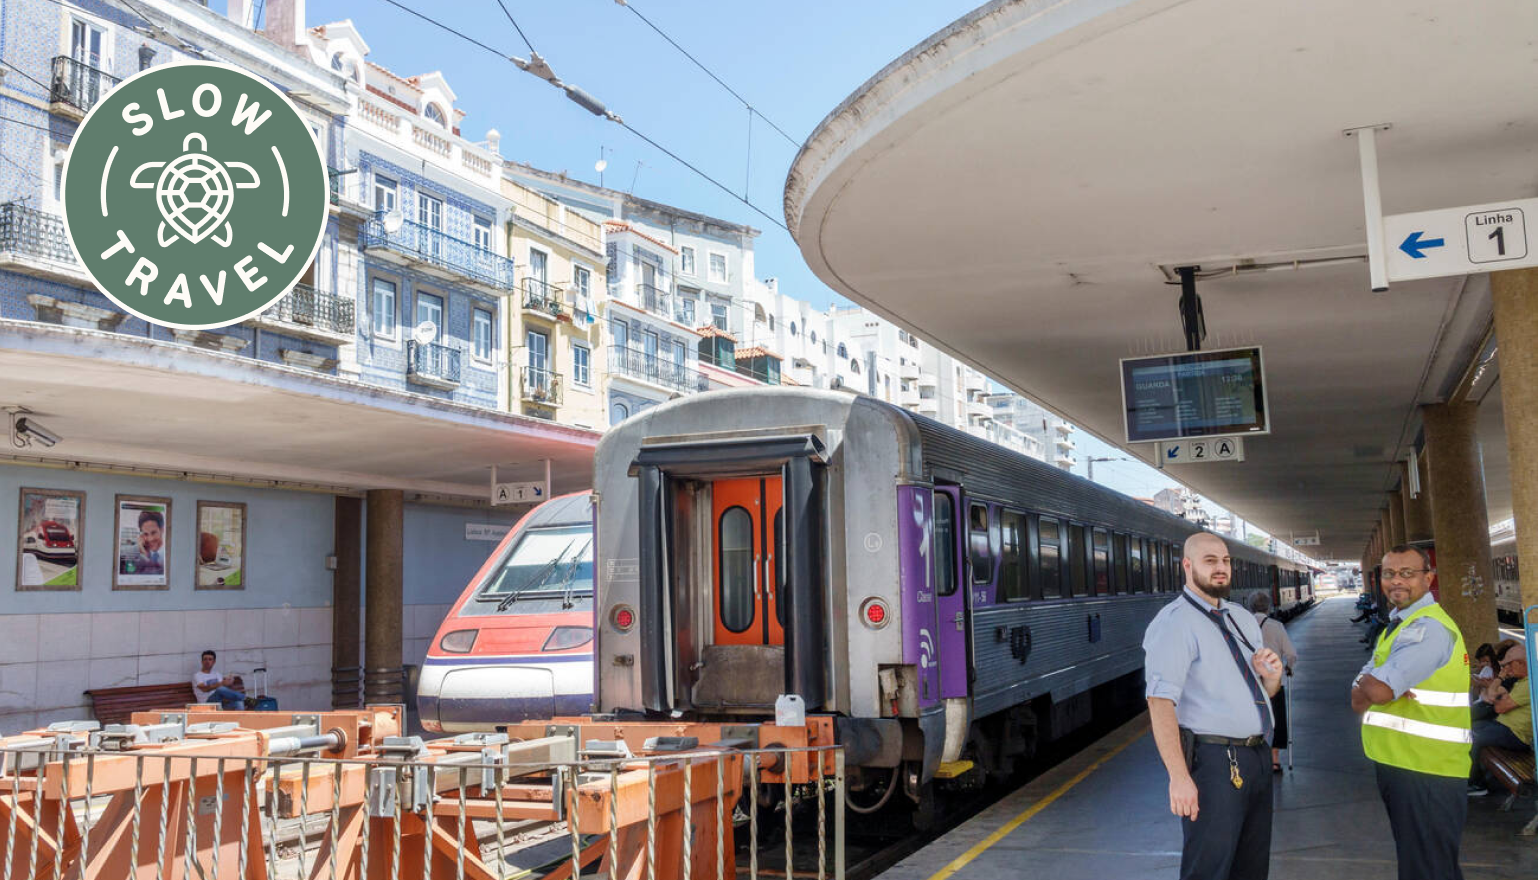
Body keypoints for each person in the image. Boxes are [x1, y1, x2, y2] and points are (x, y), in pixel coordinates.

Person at [1144, 532, 1284, 880]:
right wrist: (1179, 778)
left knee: (1251, 867)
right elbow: (1160, 702)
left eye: (1225, 561)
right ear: (1187, 566)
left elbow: (1264, 690)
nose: (1221, 569)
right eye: (1210, 561)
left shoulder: (1242, 618)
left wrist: (1272, 676)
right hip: (1215, 763)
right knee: (1209, 867)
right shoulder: (1175, 623)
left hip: (1256, 757)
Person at [1350, 545, 1470, 880]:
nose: (1396, 581)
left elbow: (1377, 691)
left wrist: (1375, 683)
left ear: (1428, 578)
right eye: (1389, 574)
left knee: (1427, 870)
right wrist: (1374, 683)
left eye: (1407, 573)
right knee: (1426, 866)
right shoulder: (1400, 627)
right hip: (1407, 764)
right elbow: (1359, 698)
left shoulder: (1426, 629)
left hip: (1427, 770)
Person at [1467, 643, 1532, 796]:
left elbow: (1499, 708)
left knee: (1471, 737)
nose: (1507, 669)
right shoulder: (1520, 681)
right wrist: (1501, 676)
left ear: (1521, 663)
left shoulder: (1528, 684)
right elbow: (1492, 696)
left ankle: (1477, 784)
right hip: (1502, 727)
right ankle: (1472, 778)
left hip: (1515, 735)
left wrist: (1498, 699)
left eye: (1509, 665)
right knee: (1467, 728)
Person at [1249, 592, 1298, 772]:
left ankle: (1254, 759)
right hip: (1274, 682)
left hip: (1250, 683)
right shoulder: (1276, 626)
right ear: (1268, 607)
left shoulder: (1241, 624)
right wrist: (1288, 667)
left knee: (1254, 719)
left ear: (1250, 606)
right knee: (1275, 718)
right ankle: (1274, 760)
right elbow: (1291, 654)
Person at [124, 509, 165, 575]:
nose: (150, 539)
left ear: (162, 530)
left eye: (153, 532)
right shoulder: (135, 554)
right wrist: (143, 554)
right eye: (146, 534)